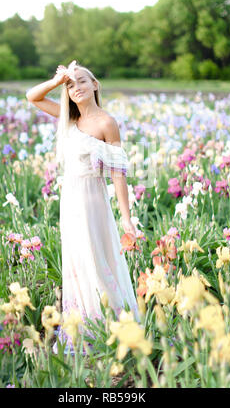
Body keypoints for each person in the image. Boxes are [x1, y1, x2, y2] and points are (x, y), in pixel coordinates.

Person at [26, 60, 141, 355]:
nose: (75, 88)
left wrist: (126, 218)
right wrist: (57, 80)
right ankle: (84, 327)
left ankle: (114, 326)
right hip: (70, 203)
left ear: (94, 85)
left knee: (98, 261)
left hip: (93, 202)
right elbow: (33, 97)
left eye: (81, 81)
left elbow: (117, 172)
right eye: (70, 84)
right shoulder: (68, 118)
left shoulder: (106, 122)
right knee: (77, 265)